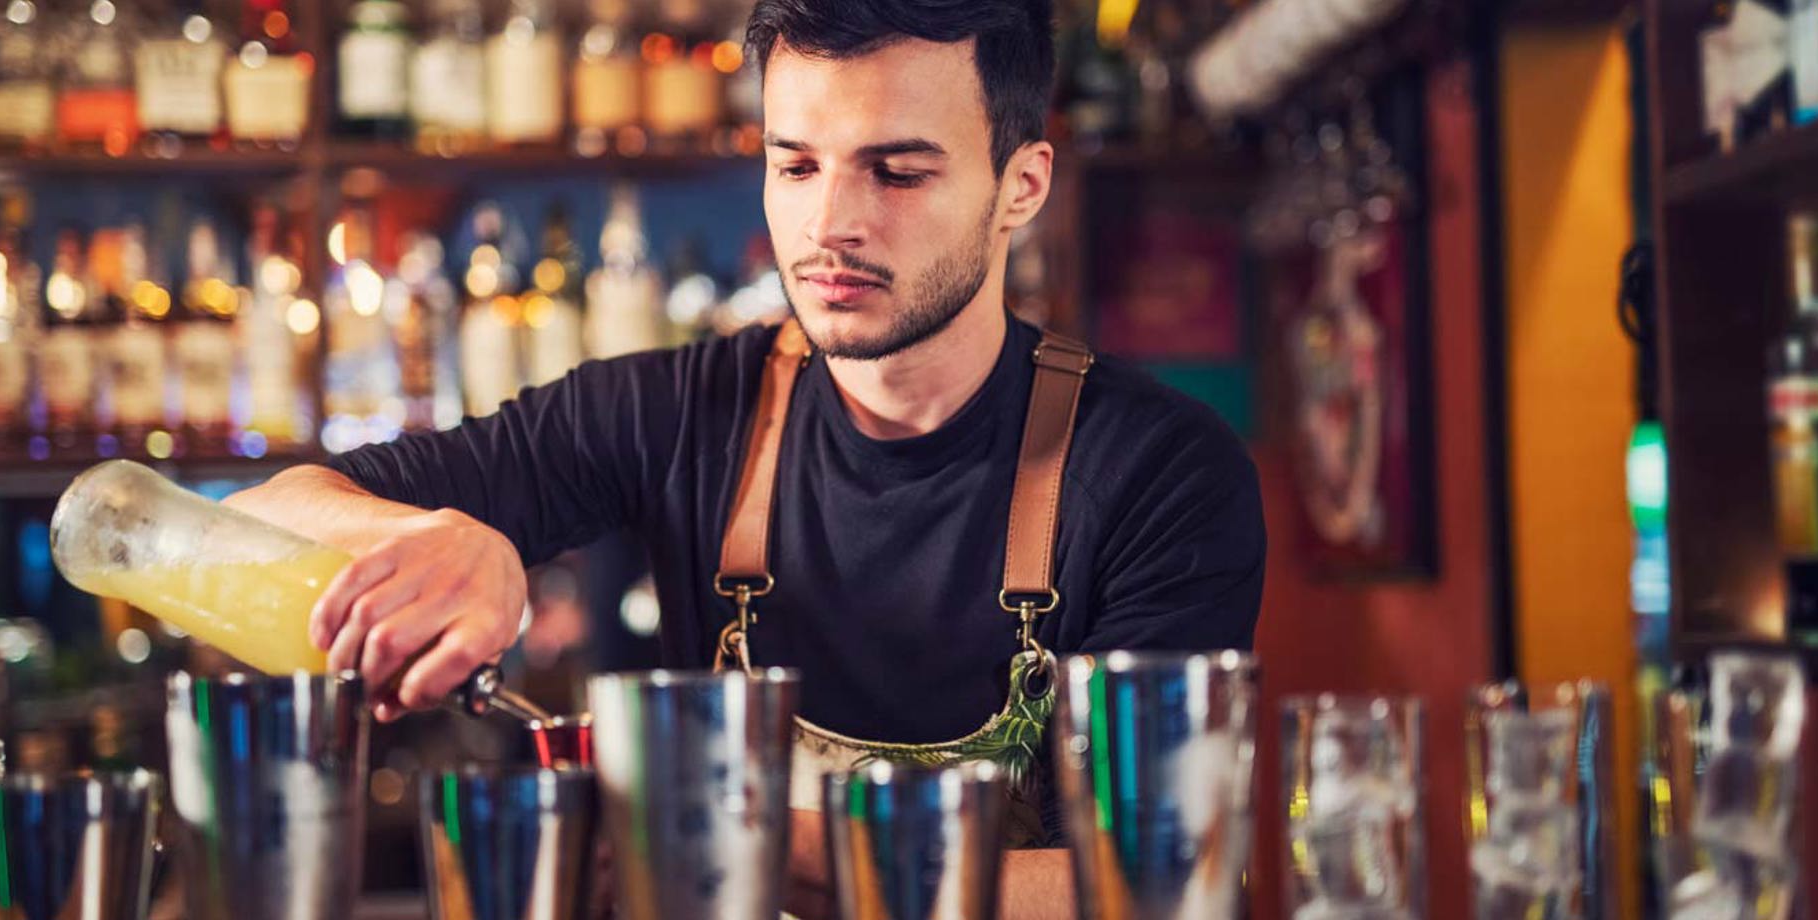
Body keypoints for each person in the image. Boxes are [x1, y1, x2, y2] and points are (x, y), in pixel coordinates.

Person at [226, 0, 1265, 914]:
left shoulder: (1160, 472)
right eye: (795, 164)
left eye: (896, 171)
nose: (830, 224)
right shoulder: (678, 409)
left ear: (1021, 184)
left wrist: (711, 837)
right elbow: (262, 514)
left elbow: (1159, 879)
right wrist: (434, 536)